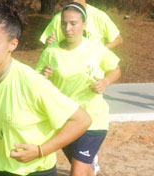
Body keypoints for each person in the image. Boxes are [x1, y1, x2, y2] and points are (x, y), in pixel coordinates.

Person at [0, 1, 92, 176]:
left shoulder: (31, 82)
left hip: (35, 172)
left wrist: (40, 150)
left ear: (12, 44)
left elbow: (82, 120)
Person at [35, 2, 121, 176]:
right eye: (64, 23)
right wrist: (43, 76)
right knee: (85, 169)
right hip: (64, 121)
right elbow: (35, 83)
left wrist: (105, 82)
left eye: (73, 23)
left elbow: (116, 69)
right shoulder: (51, 52)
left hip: (93, 121)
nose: (68, 28)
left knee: (77, 172)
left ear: (84, 24)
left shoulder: (96, 49)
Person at [40, 0, 123, 49]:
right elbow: (49, 46)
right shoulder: (59, 18)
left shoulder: (99, 15)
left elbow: (118, 39)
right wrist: (49, 44)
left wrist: (100, 50)